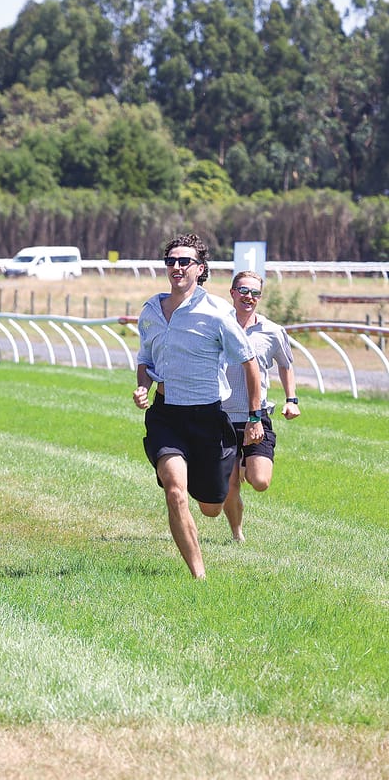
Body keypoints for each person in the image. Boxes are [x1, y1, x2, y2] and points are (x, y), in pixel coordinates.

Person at [132, 234, 264, 579]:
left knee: (210, 507)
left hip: (208, 418)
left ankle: (213, 497)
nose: (176, 267)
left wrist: (254, 415)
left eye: (184, 261)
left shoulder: (218, 311)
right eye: (171, 261)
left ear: (200, 269)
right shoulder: (150, 311)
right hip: (166, 415)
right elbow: (145, 360)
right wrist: (143, 387)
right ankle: (199, 575)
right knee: (175, 490)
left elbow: (249, 363)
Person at [221, 270, 300, 542]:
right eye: (243, 291)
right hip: (222, 417)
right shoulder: (218, 326)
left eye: (255, 293)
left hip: (257, 416)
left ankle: (245, 463)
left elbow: (286, 365)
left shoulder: (272, 331)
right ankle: (236, 532)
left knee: (260, 481)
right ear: (232, 293)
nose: (249, 297)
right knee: (229, 487)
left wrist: (292, 400)